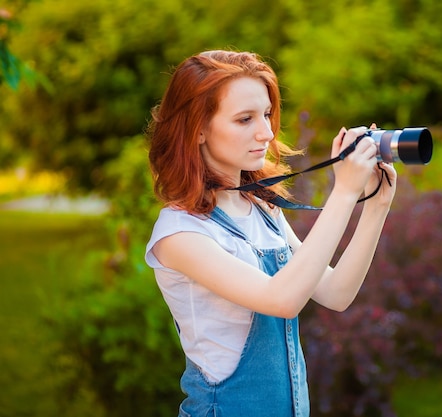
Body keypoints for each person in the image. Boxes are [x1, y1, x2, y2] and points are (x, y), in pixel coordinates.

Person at [144, 49, 397, 417]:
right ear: (197, 129)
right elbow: (282, 300)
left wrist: (376, 205)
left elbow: (336, 292)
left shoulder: (263, 209)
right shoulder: (179, 234)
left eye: (266, 114)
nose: (266, 132)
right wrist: (343, 192)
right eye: (245, 119)